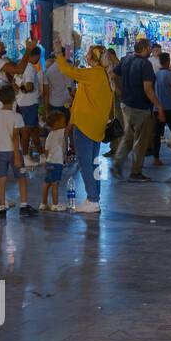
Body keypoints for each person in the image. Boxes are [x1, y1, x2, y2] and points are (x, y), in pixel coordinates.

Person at [52, 41, 112, 214]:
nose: (85, 56)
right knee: (93, 163)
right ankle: (94, 198)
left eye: (88, 54)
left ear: (92, 58)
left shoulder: (93, 73)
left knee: (86, 163)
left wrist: (59, 54)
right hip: (96, 126)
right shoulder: (106, 75)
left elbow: (69, 71)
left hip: (85, 124)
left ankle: (92, 199)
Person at [0, 35, 36, 210]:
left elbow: (13, 87)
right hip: (1, 116)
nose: (1, 43)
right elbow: (19, 68)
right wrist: (28, 50)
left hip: (4, 114)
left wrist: (14, 85)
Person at [111, 39, 163, 182]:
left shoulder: (126, 59)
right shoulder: (145, 64)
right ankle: (136, 172)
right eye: (150, 48)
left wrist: (120, 91)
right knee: (140, 141)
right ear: (145, 48)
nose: (151, 51)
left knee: (128, 136)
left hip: (126, 104)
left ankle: (116, 164)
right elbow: (148, 89)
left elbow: (113, 75)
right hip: (141, 107)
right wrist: (159, 106)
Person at [0, 84, 35, 217]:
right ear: (14, 99)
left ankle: (2, 208)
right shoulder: (17, 117)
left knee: (1, 179)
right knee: (21, 178)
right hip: (15, 152)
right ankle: (24, 205)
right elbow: (15, 137)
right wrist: (16, 156)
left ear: (0, 98)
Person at [14, 46, 44, 165]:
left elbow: (14, 84)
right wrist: (25, 89)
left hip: (21, 102)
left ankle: (42, 155)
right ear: (35, 56)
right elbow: (29, 87)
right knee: (27, 131)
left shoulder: (20, 66)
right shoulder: (30, 68)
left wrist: (20, 89)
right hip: (30, 103)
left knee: (34, 130)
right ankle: (26, 158)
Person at [40, 110, 68, 211]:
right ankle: (55, 204)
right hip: (57, 163)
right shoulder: (60, 131)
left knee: (47, 182)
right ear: (57, 124)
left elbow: (46, 149)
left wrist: (48, 160)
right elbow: (69, 129)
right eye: (63, 122)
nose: (65, 124)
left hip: (49, 162)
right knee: (55, 183)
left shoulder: (50, 135)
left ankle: (43, 203)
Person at [43, 53, 74, 126]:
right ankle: (66, 137)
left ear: (54, 58)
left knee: (55, 125)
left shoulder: (48, 71)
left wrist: (46, 109)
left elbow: (46, 92)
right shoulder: (69, 67)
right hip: (68, 101)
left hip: (55, 102)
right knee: (67, 124)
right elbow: (72, 87)